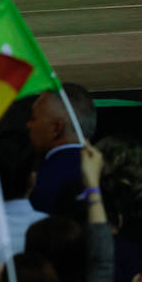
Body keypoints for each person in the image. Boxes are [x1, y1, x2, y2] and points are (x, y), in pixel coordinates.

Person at [27, 84, 96, 214]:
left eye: (33, 119)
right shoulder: (109, 172)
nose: (29, 125)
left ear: (56, 128)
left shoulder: (38, 182)